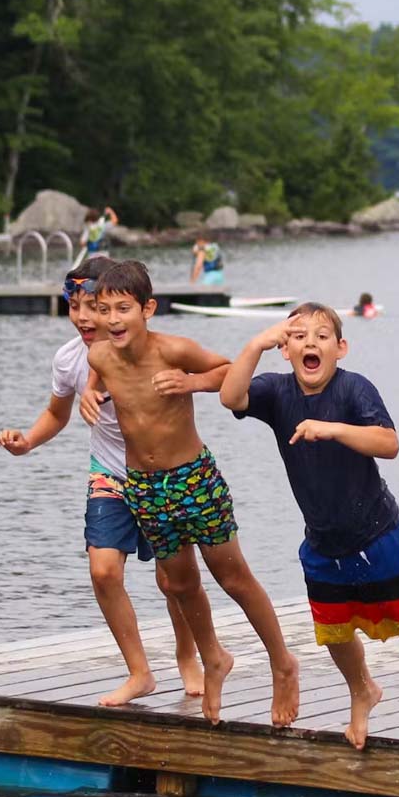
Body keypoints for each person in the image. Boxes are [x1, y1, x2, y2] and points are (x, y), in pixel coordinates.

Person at [221, 303, 399, 755]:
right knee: (335, 633)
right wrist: (254, 344)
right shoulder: (277, 392)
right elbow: (231, 397)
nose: (311, 343)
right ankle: (361, 689)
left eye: (322, 336)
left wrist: (332, 430)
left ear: (340, 348)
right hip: (323, 542)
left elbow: (389, 443)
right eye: (299, 336)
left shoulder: (353, 389)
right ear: (284, 350)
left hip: (377, 535)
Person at [0, 255, 218, 706]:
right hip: (110, 474)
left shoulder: (148, 349)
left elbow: (214, 371)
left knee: (172, 579)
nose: (84, 317)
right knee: (102, 569)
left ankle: (187, 653)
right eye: (75, 306)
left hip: (161, 476)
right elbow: (56, 414)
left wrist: (185, 383)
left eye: (94, 306)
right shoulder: (69, 360)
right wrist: (27, 442)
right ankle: (139, 672)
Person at [86, 260, 300, 726]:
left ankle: (282, 662)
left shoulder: (174, 349)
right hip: (143, 487)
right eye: (104, 311)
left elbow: (228, 371)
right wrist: (88, 393)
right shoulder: (99, 357)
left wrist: (191, 382)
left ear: (148, 309)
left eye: (124, 309)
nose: (113, 320)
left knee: (234, 577)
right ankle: (213, 658)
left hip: (192, 480)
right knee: (179, 583)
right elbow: (98, 379)